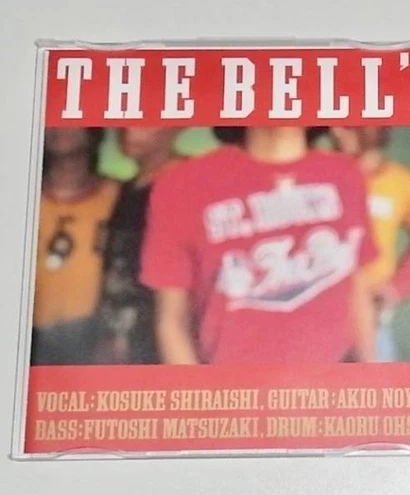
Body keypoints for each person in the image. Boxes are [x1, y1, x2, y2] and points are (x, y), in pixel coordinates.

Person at [140, 126, 377, 365]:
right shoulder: (182, 184)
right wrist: (199, 389)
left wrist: (370, 374)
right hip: (231, 382)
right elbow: (172, 321)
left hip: (332, 381)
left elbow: (356, 290)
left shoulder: (345, 174)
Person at [329, 127, 410, 361]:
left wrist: (399, 287)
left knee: (377, 383)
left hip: (374, 320)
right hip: (321, 322)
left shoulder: (401, 183)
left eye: (347, 125)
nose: (335, 131)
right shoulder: (318, 177)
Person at [32, 127, 119, 364]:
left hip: (95, 338)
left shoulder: (118, 197)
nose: (62, 128)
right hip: (30, 337)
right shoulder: (19, 198)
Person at [95, 127, 181, 363]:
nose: (128, 130)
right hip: (120, 336)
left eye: (142, 121)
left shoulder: (185, 184)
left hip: (160, 338)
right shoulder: (127, 189)